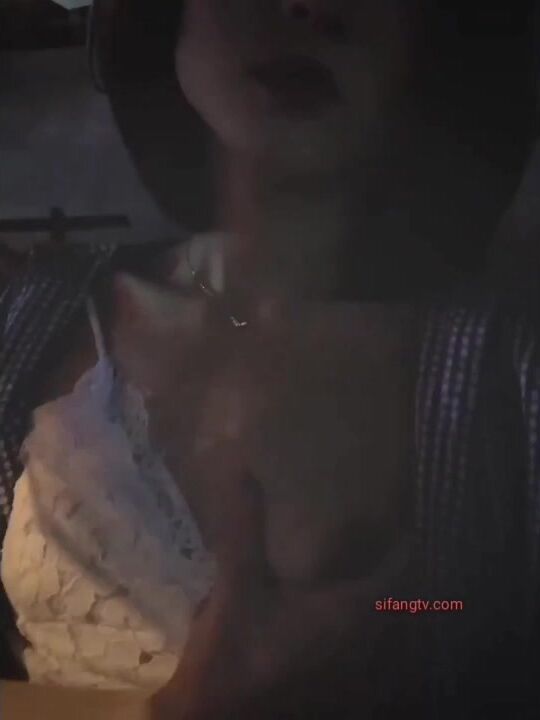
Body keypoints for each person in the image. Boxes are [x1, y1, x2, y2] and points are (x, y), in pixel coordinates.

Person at [1, 1, 539, 717]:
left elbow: (459, 606)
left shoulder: (506, 365)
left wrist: (405, 613)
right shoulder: (39, 317)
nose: (310, 6)